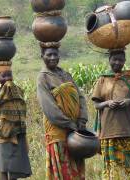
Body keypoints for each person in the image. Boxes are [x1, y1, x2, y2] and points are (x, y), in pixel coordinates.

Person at [91, 49, 130, 180]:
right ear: (109, 60)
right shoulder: (102, 79)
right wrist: (107, 103)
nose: (117, 62)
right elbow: (97, 105)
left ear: (125, 61)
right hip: (109, 132)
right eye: (114, 59)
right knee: (114, 171)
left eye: (120, 60)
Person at [36, 42, 88, 180]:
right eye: (49, 55)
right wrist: (68, 123)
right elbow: (49, 107)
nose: (53, 57)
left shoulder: (66, 75)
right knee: (62, 168)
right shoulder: (43, 77)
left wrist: (82, 120)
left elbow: (80, 97)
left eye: (55, 54)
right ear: (42, 56)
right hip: (57, 130)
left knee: (75, 166)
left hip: (75, 130)